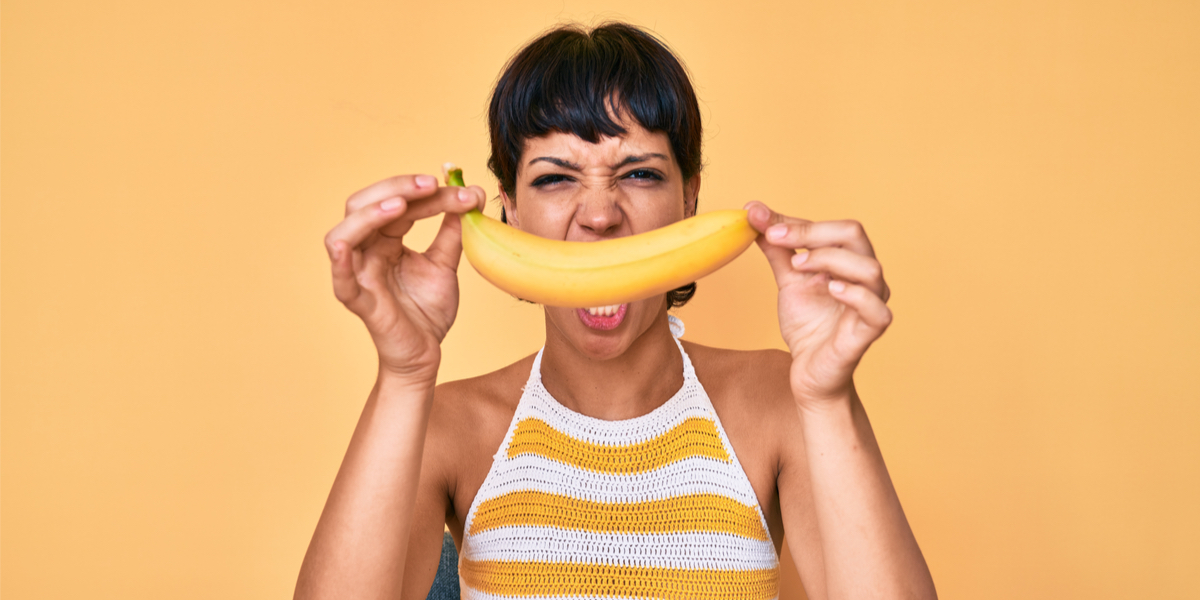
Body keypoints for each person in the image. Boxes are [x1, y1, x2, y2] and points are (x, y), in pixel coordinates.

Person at [296, 22, 937, 600]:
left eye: (638, 174)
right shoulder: (451, 427)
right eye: (553, 178)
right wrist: (404, 374)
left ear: (690, 200)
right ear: (508, 211)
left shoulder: (778, 402)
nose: (600, 215)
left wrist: (828, 401)